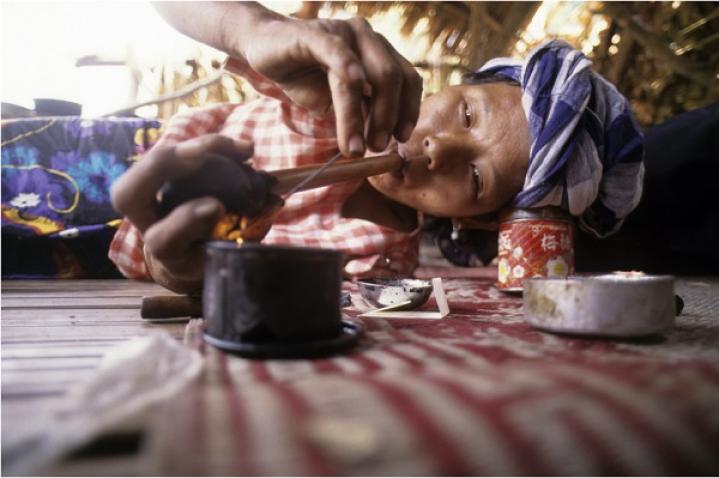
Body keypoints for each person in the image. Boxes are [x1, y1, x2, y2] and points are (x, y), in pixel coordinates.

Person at [111, 35, 647, 293]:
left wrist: (180, 272)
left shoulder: (383, 265)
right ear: (454, 83)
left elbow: (192, 279)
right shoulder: (330, 96)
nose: (440, 151)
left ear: (479, 221)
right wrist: (259, 29)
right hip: (118, 154)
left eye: (477, 178)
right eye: (465, 113)